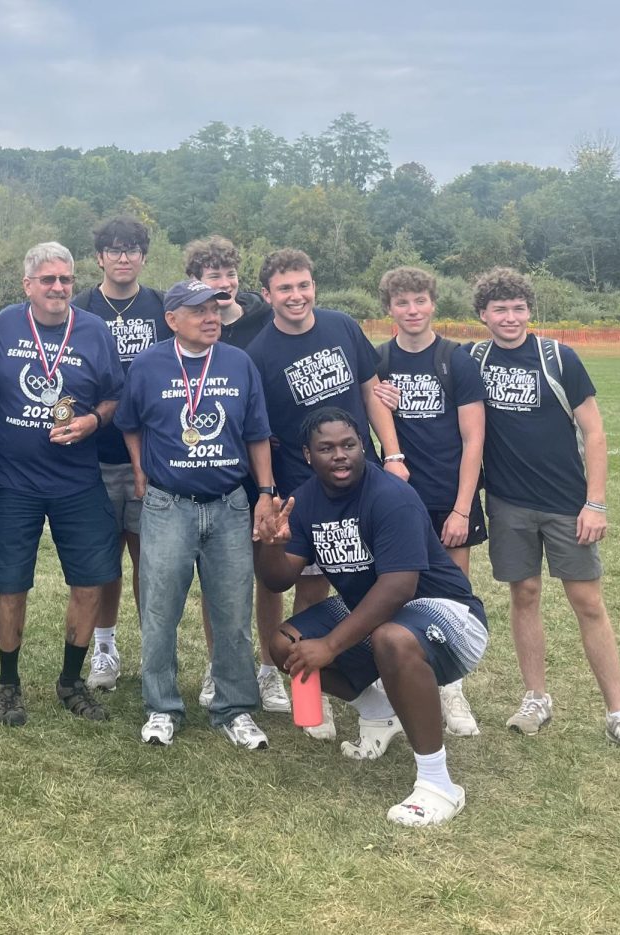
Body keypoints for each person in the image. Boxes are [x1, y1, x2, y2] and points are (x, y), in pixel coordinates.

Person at [257, 408, 489, 826]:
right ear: (308, 455)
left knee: (391, 639)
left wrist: (330, 645)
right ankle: (380, 712)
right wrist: (271, 545)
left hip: (449, 614)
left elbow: (399, 586)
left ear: (363, 446)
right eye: (326, 448)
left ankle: (439, 784)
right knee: (283, 646)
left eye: (349, 445)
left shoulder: (391, 496)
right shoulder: (306, 500)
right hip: (378, 612)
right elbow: (278, 581)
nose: (340, 455)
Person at [470, 267, 620, 758]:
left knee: (588, 602)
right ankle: (536, 698)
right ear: (483, 315)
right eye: (499, 309)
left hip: (567, 504)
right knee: (525, 593)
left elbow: (594, 432)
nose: (510, 318)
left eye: (518, 308)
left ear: (529, 310)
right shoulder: (473, 359)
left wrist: (595, 502)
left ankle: (619, 713)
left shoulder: (559, 357)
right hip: (509, 503)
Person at [244, 249, 408, 735]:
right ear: (268, 295)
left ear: (314, 286)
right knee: (297, 584)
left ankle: (392, 674)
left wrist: (393, 455)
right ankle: (300, 687)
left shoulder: (341, 326)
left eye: (304, 285)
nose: (297, 296)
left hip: (364, 481)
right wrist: (269, 492)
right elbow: (261, 434)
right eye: (285, 288)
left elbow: (371, 392)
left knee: (362, 581)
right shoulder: (259, 354)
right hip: (303, 490)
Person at [115, 279, 276, 749]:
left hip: (229, 504)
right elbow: (130, 423)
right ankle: (161, 707)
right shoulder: (148, 365)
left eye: (215, 309)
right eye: (199, 311)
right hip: (169, 506)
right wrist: (142, 471)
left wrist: (265, 492)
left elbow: (257, 433)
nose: (211, 318)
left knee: (232, 612)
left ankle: (234, 708)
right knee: (160, 611)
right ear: (172, 319)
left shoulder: (238, 363)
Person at [0, 242, 123, 726]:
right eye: (48, 280)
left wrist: (91, 423)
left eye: (65, 279)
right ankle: (8, 682)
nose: (59, 288)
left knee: (89, 581)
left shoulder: (94, 330)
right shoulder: (0, 325)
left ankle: (70, 680)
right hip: (12, 479)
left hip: (76, 479)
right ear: (28, 285)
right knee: (11, 584)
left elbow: (114, 397)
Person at [371, 266, 486, 739]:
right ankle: (395, 687)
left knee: (451, 597)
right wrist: (382, 405)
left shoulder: (455, 359)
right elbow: (371, 420)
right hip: (398, 501)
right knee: (396, 592)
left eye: (420, 300)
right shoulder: (379, 361)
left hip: (448, 497)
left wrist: (462, 509)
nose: (412, 310)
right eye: (402, 303)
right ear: (389, 309)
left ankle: (452, 690)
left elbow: (473, 440)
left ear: (433, 302)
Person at [72, 217, 168, 692]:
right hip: (95, 453)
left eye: (132, 249)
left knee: (147, 559)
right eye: (114, 249)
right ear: (100, 258)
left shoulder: (163, 306)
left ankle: (154, 649)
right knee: (104, 560)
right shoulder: (81, 308)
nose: (124, 257)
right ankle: (105, 648)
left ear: (144, 256)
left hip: (154, 455)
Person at [181, 236, 274, 709]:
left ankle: (270, 668)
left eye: (229, 273)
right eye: (212, 276)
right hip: (212, 466)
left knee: (269, 572)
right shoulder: (190, 326)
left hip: (263, 459)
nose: (224, 283)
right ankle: (218, 668)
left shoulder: (264, 317)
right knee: (218, 577)